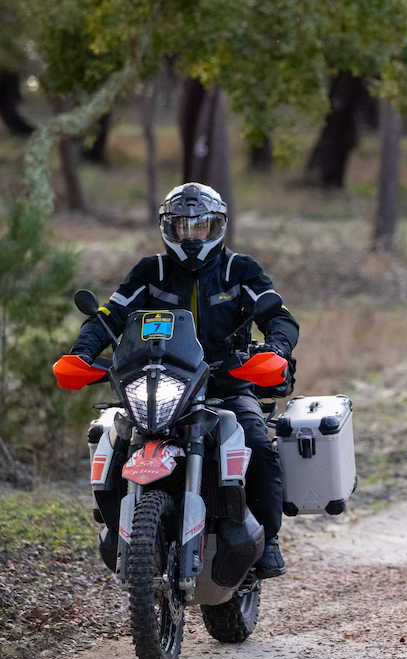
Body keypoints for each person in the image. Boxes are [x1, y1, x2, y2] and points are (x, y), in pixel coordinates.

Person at [68, 182, 298, 579]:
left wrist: (275, 349)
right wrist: (82, 353)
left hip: (226, 385)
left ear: (217, 227)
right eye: (183, 227)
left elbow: (278, 315)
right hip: (159, 384)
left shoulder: (239, 270)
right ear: (169, 229)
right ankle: (114, 528)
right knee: (115, 440)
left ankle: (268, 539)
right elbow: (108, 315)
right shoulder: (150, 271)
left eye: (201, 226)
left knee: (258, 444)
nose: (192, 236)